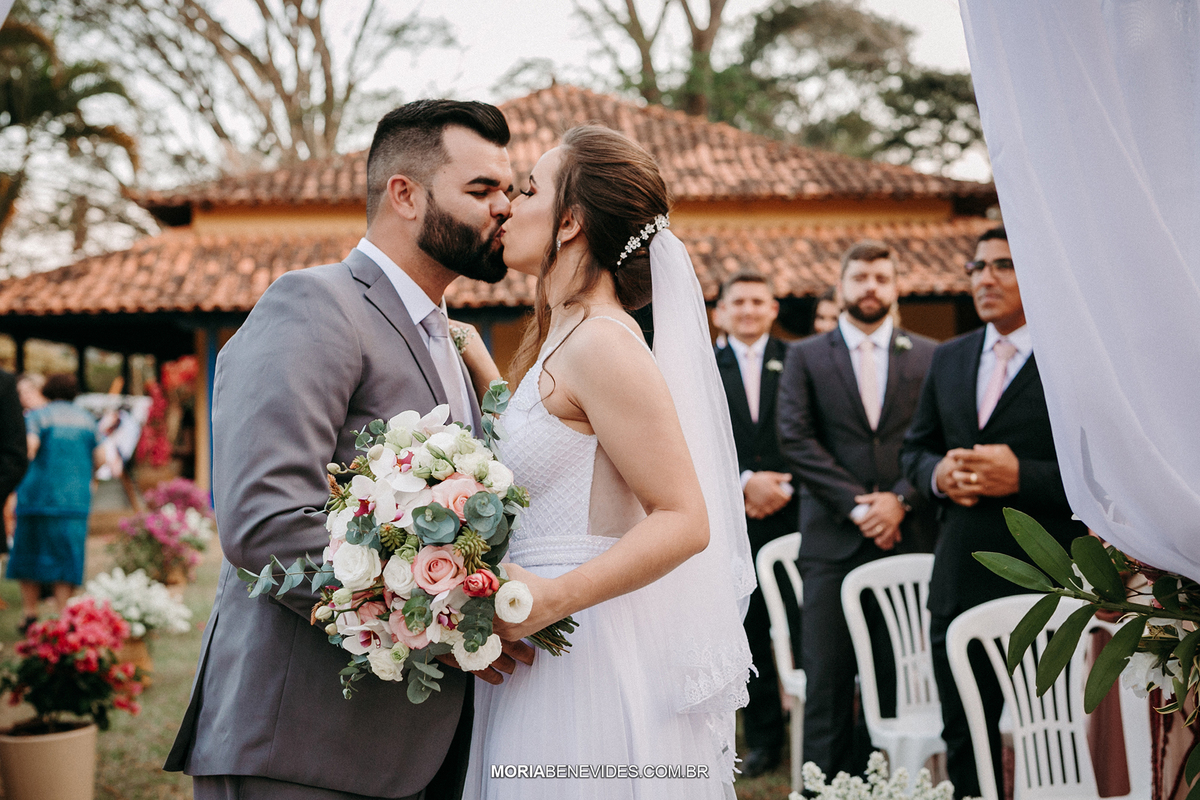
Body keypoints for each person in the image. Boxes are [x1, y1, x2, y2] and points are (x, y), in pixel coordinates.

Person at [165, 99, 535, 800]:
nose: (504, 209)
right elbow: (266, 523)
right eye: (482, 189)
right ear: (405, 195)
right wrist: (448, 624)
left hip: (416, 747)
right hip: (302, 745)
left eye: (509, 190)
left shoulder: (450, 340)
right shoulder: (314, 305)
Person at [459, 124, 754, 799]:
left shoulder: (604, 344)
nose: (507, 205)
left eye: (527, 189)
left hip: (583, 648)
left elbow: (685, 519)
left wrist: (552, 598)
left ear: (569, 223)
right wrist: (476, 359)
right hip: (537, 637)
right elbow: (555, 450)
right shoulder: (564, 334)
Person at [900, 226, 1086, 799]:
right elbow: (915, 449)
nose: (985, 278)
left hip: (1049, 577)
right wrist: (938, 475)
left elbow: (1101, 472)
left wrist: (1021, 476)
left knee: (1052, 734)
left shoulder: (1070, 359)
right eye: (977, 267)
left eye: (1002, 265)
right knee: (966, 732)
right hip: (959, 572)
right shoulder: (950, 357)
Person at [777, 240, 938, 778]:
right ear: (842, 284)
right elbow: (795, 439)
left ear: (895, 288)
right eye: (860, 277)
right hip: (831, 542)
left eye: (881, 278)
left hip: (909, 536)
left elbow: (938, 441)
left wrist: (900, 500)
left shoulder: (930, 355)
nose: (871, 287)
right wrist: (858, 507)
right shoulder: (805, 356)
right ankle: (823, 787)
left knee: (897, 676)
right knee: (827, 676)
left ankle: (887, 785)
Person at [713, 270, 797, 777]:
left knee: (801, 622)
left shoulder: (798, 359)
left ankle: (810, 724)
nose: (747, 310)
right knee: (750, 627)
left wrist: (783, 485)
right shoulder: (702, 364)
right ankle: (763, 738)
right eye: (737, 301)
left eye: (757, 301)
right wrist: (745, 482)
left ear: (773, 309)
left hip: (794, 512)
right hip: (732, 518)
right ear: (720, 311)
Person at [6, 374, 94, 632]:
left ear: (46, 390)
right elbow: (101, 457)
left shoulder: (37, 417)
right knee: (67, 558)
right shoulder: (87, 419)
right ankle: (63, 616)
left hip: (37, 499)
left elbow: (29, 448)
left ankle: (29, 614)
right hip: (75, 502)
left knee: (29, 556)